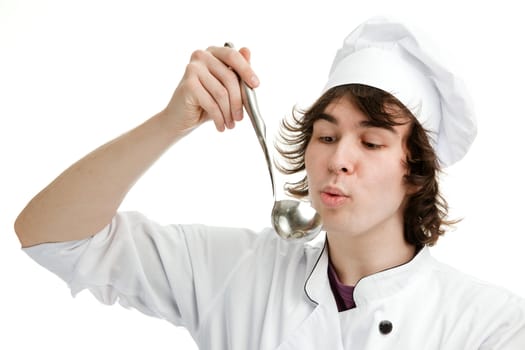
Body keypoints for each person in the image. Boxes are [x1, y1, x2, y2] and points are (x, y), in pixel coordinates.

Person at [14, 17, 525, 349]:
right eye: (326, 136)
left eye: (370, 143)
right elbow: (50, 235)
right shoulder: (235, 273)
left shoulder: (487, 324)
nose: (338, 159)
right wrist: (171, 122)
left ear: (415, 172)